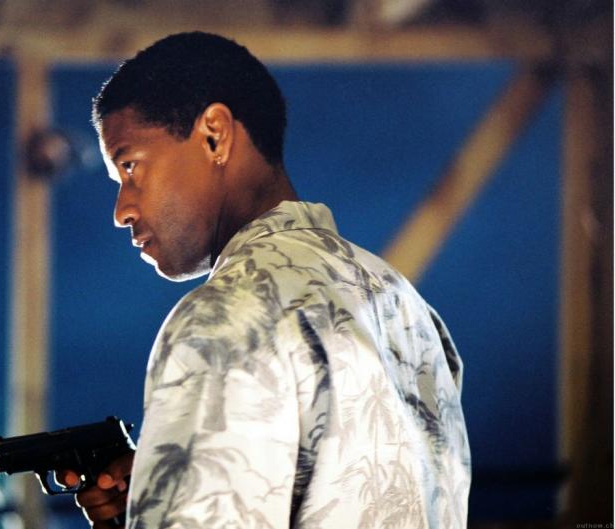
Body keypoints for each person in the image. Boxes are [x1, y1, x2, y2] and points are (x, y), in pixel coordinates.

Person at [59, 31, 471, 529]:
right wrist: (157, 499)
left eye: (130, 167)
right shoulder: (407, 308)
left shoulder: (225, 316)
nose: (121, 210)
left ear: (214, 134)